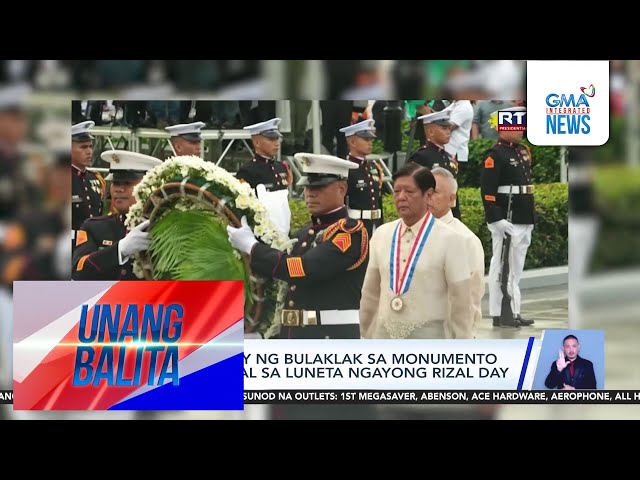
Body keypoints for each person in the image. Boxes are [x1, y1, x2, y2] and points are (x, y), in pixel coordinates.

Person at [227, 152, 368, 340]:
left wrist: (252, 247)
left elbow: (302, 268)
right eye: (307, 187)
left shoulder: (349, 232)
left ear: (342, 189)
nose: (310, 193)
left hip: (330, 337)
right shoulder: (304, 233)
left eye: (319, 187)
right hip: (294, 336)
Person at [360, 162, 473, 339]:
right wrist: (366, 337)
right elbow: (370, 293)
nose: (401, 197)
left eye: (409, 192)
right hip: (384, 341)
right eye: (397, 191)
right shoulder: (382, 235)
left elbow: (462, 303)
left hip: (430, 343)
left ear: (428, 195)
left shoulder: (451, 239)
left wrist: (462, 347)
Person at [480, 106, 535, 328]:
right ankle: (499, 312)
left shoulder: (522, 151)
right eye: (517, 126)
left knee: (516, 269)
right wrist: (496, 219)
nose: (522, 130)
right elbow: (488, 190)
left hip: (523, 216)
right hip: (506, 219)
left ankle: (514, 310)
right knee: (501, 267)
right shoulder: (495, 155)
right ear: (503, 129)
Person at [72, 150, 162, 280]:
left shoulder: (165, 227)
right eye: (116, 183)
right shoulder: (95, 227)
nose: (119, 189)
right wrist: (120, 249)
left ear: (149, 186)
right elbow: (78, 270)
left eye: (127, 183)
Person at [429, 167, 485, 337]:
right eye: (425, 191)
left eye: (435, 192)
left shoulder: (464, 239)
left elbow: (470, 298)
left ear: (452, 199)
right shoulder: (404, 232)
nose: (428, 197)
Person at [407, 109, 461, 219]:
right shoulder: (421, 157)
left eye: (449, 128)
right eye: (444, 128)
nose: (448, 131)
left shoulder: (448, 157)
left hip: (450, 215)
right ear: (431, 131)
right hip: (429, 216)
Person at [339, 118, 384, 238]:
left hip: (375, 225)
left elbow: (378, 200)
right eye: (366, 139)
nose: (370, 143)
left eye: (371, 139)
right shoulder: (345, 169)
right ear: (352, 142)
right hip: (356, 227)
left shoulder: (373, 167)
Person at [71, 120, 105, 250]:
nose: (89, 151)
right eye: (83, 147)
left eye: (90, 146)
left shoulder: (95, 179)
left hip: (92, 246)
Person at [235, 117, 292, 192]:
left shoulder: (281, 167)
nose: (277, 143)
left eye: (277, 138)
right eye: (271, 139)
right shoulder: (247, 171)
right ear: (257, 143)